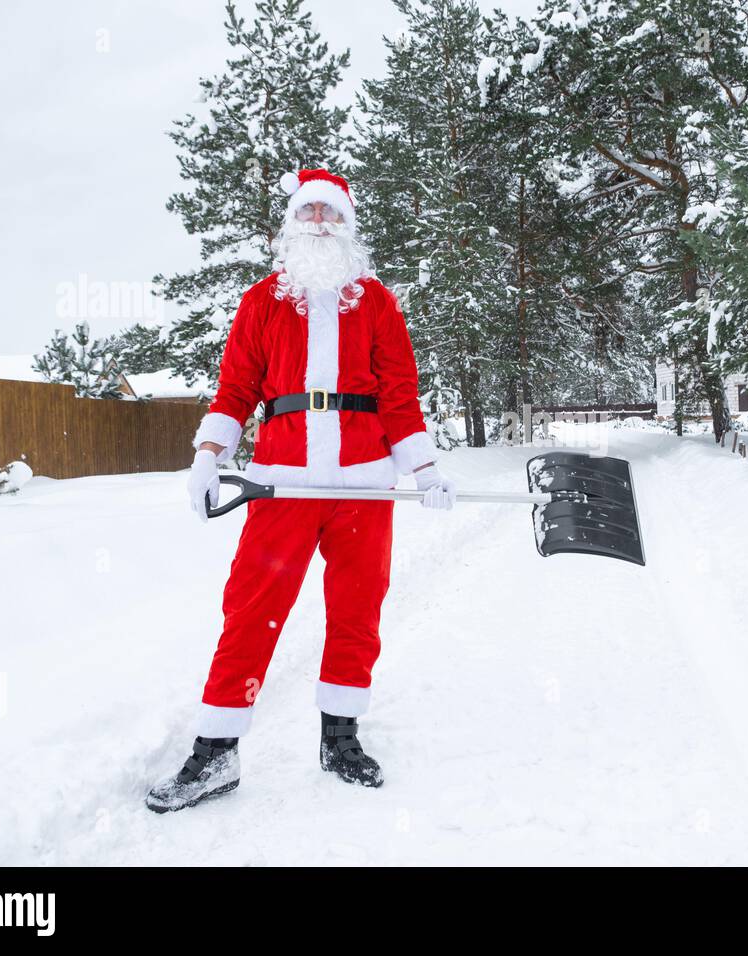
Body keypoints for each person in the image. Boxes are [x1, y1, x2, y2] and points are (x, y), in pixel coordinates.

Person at [146, 168, 456, 812]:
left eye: (331, 214)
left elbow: (399, 392)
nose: (319, 222)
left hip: (363, 484)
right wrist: (209, 456)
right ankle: (216, 753)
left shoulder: (376, 301)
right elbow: (235, 388)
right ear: (291, 223)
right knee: (251, 610)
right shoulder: (261, 301)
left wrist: (423, 469)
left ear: (348, 226)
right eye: (309, 212)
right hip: (281, 483)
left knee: (356, 610)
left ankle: (340, 737)